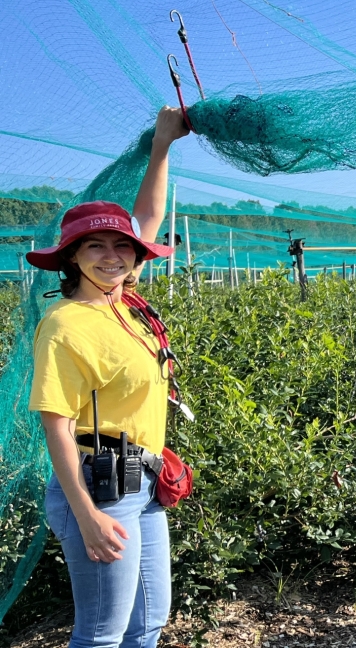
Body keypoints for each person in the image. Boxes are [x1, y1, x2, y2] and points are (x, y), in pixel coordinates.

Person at [28, 106, 189, 648]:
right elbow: (57, 426)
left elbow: (148, 215)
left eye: (122, 247)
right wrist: (86, 514)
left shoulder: (123, 301)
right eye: (96, 246)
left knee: (147, 625)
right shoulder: (67, 324)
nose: (114, 256)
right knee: (102, 632)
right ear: (71, 257)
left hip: (141, 483)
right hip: (99, 488)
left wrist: (163, 143)